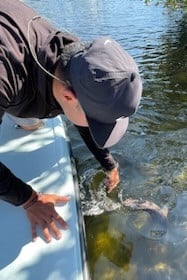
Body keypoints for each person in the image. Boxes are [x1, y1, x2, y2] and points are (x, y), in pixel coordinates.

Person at [0, 0, 142, 243]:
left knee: (31, 123)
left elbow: (82, 112)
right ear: (68, 96)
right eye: (97, 121)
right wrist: (29, 199)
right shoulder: (6, 77)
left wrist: (109, 164)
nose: (95, 125)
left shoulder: (78, 58)